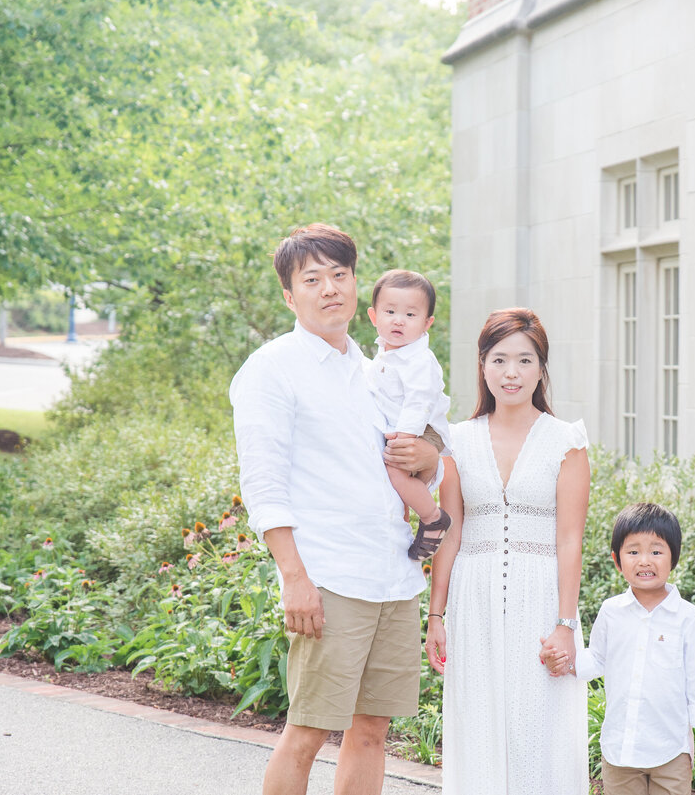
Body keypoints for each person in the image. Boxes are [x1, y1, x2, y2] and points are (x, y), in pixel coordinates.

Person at [229, 224, 441, 795]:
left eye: (340, 275)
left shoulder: (374, 369)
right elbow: (263, 484)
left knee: (371, 732)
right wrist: (294, 578)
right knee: (307, 731)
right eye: (312, 279)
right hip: (330, 579)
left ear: (355, 285)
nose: (329, 288)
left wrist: (430, 458)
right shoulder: (272, 368)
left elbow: (413, 463)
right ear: (288, 295)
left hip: (394, 577)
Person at [424, 307, 590, 794]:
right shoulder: (456, 441)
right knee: (476, 728)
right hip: (472, 602)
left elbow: (570, 539)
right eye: (499, 360)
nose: (511, 372)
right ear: (482, 366)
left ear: (541, 369)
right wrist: (435, 616)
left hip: (541, 602)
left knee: (541, 730)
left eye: (524, 360)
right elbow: (450, 532)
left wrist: (565, 625)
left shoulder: (567, 441)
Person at [545, 503, 695, 795]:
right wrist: (563, 661)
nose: (645, 561)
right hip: (620, 750)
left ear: (674, 557)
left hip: (671, 751)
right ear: (617, 560)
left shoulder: (689, 619)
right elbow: (596, 658)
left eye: (656, 552)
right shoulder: (611, 611)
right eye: (634, 552)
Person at [364, 269, 453, 560]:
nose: (399, 320)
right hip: (402, 429)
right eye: (390, 312)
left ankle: (433, 518)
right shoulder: (382, 356)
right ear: (374, 316)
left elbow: (419, 402)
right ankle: (401, 528)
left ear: (427, 323)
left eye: (410, 315)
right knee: (393, 480)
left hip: (423, 429)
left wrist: (405, 436)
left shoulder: (419, 360)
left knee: (394, 471)